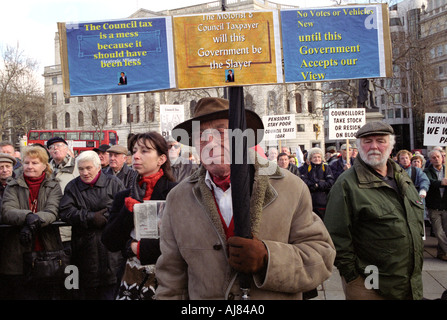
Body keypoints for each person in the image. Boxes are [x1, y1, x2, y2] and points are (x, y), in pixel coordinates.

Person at [155, 97, 335, 300]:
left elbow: (322, 257)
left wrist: (268, 258)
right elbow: (171, 279)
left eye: (221, 132)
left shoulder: (290, 188)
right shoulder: (178, 199)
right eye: (202, 136)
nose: (211, 143)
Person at [324, 122, 424, 300]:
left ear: (391, 145)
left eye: (381, 140)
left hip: (407, 283)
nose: (374, 146)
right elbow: (335, 236)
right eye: (367, 141)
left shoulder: (402, 176)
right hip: (370, 286)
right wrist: (353, 277)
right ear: (359, 146)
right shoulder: (346, 184)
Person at [102, 132, 177, 300]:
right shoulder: (124, 196)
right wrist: (128, 211)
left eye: (145, 151)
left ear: (161, 159)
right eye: (134, 151)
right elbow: (109, 241)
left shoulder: (175, 193)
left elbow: (183, 241)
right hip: (130, 279)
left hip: (167, 280)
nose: (136, 156)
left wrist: (138, 248)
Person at [59, 151, 125, 299]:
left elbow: (123, 207)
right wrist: (90, 217)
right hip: (84, 249)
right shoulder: (72, 186)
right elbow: (65, 211)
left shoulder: (113, 183)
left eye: (88, 168)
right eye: (81, 169)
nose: (85, 172)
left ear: (98, 168)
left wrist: (105, 217)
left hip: (111, 249)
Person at [0, 146, 63, 299]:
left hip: (46, 249)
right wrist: (29, 217)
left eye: (35, 163)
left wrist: (31, 224)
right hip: (17, 250)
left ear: (44, 165)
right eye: (26, 163)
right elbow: (7, 211)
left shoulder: (53, 185)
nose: (29, 167)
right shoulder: (12, 185)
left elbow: (52, 211)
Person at [47, 136, 79, 253]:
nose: (55, 149)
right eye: (51, 147)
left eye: (59, 145)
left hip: (71, 225)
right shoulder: (45, 170)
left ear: (66, 149)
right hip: (51, 225)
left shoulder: (77, 167)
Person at [424, 149, 447, 261]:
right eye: (433, 157)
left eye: (438, 156)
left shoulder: (446, 170)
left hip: (446, 206)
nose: (436, 159)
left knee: (445, 232)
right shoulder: (427, 171)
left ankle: (442, 253)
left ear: (442, 158)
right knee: (438, 232)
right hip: (434, 206)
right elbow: (429, 182)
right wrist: (441, 183)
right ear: (430, 160)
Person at [301, 147, 334, 220]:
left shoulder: (326, 168)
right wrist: (316, 184)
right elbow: (304, 181)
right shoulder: (306, 169)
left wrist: (318, 184)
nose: (317, 159)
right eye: (314, 157)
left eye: (319, 157)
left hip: (323, 202)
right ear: (311, 158)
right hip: (309, 202)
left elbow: (330, 183)